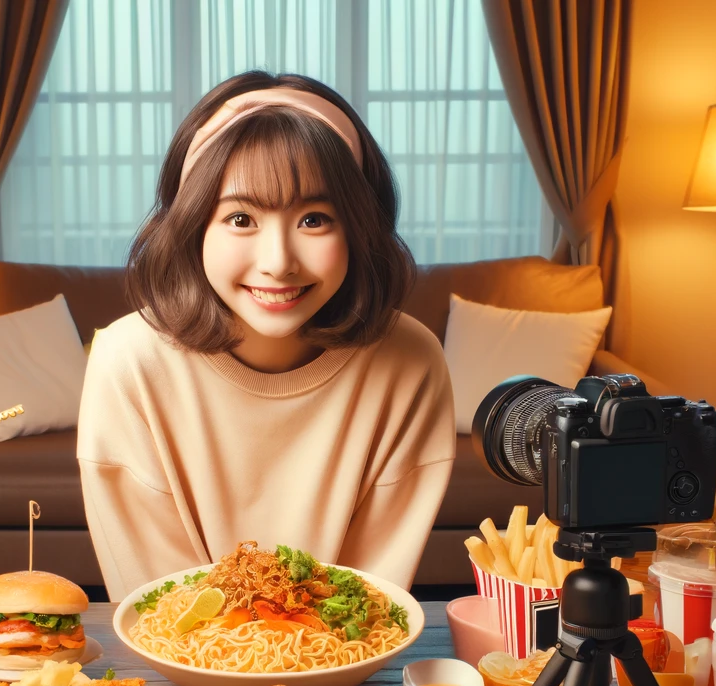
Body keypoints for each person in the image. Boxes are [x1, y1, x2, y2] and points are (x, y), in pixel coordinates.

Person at [78, 71, 455, 601]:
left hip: (343, 673)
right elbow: (162, 615)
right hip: (181, 676)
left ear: (360, 228)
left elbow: (370, 607)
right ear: (191, 227)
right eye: (240, 217)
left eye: (315, 219)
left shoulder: (411, 361)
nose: (278, 263)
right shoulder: (129, 360)